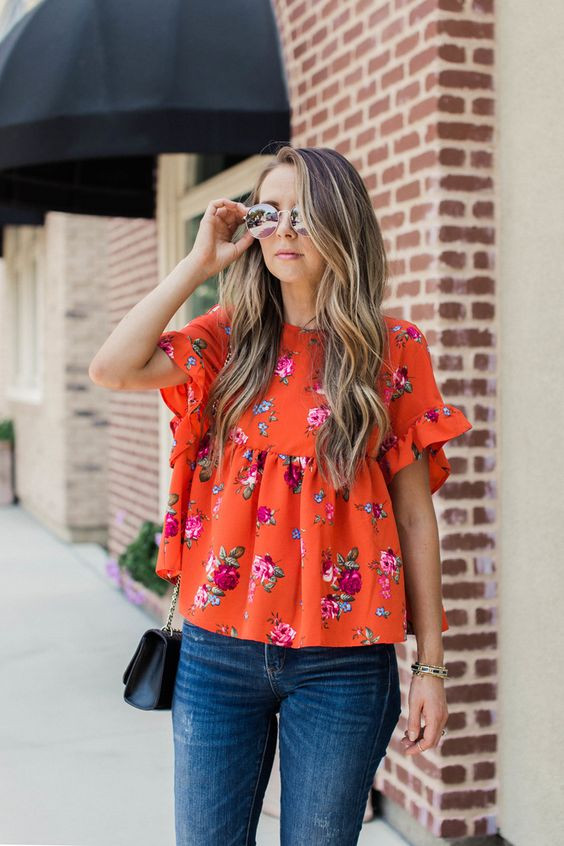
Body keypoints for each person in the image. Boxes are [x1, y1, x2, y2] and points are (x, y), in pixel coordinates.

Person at [89, 145, 472, 846]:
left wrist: (431, 666)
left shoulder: (394, 349)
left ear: (342, 226)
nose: (285, 230)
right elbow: (113, 367)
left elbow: (416, 517)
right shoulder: (228, 340)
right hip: (217, 651)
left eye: (305, 214)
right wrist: (200, 265)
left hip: (345, 662)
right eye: (271, 214)